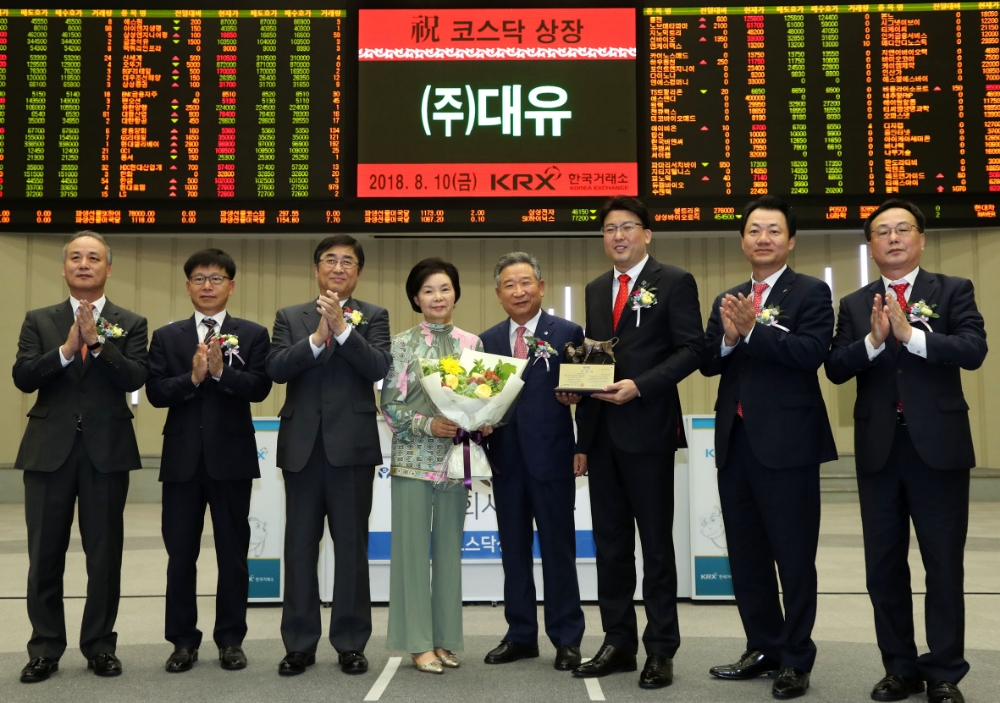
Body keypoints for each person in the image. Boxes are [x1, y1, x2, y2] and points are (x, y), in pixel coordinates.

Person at [826, 200, 987, 703]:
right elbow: (835, 367)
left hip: (937, 448)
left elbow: (973, 350)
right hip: (879, 449)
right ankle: (899, 667)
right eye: (882, 232)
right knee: (884, 565)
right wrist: (874, 342)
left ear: (920, 239)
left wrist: (911, 336)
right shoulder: (854, 304)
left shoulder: (952, 290)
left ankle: (943, 672)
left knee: (943, 562)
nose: (893, 238)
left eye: (903, 229)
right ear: (870, 246)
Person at [700, 195, 837, 699]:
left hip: (789, 446)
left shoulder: (811, 292)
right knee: (747, 555)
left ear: (791, 240)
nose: (763, 238)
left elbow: (809, 354)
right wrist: (730, 339)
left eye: (773, 231)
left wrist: (753, 331)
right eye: (754, 230)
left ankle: (796, 657)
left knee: (794, 556)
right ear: (742, 240)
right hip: (735, 444)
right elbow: (711, 362)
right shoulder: (730, 296)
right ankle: (762, 645)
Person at [568, 196, 704, 689]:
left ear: (647, 234)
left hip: (648, 430)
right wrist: (578, 408)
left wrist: (641, 384)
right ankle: (618, 641)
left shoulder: (675, 281)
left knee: (655, 545)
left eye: (627, 227)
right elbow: (597, 359)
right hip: (603, 435)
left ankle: (661, 648)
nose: (618, 236)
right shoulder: (596, 288)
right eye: (609, 229)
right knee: (610, 546)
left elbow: (694, 349)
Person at [13, 231, 149, 683]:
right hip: (48, 451)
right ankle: (45, 648)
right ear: (65, 267)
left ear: (108, 268)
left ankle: (99, 647)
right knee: (44, 555)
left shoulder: (131, 321)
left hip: (105, 453)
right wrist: (69, 349)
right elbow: (24, 376)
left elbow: (133, 377)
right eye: (76, 257)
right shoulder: (40, 319)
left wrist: (99, 344)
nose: (84, 264)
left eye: (94, 257)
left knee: (104, 555)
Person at [265, 235, 390, 677]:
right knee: (299, 548)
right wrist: (317, 339)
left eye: (348, 262)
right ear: (317, 268)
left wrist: (342, 330)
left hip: (352, 448)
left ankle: (351, 643)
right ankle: (298, 644)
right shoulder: (290, 316)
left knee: (352, 548)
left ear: (358, 271)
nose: (338, 268)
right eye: (330, 260)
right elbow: (276, 368)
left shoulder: (373, 316)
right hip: (301, 448)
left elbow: (378, 368)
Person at [145, 249, 272, 673]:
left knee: (232, 554)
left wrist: (221, 374)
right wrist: (194, 378)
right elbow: (157, 392)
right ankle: (182, 641)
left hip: (231, 459)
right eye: (199, 279)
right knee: (180, 555)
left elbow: (259, 388)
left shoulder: (252, 334)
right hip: (181, 461)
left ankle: (230, 640)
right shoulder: (168, 337)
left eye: (216, 279)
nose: (207, 286)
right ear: (187, 286)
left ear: (231, 286)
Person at [480, 252, 586, 672]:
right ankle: (520, 634)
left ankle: (567, 638)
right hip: (505, 460)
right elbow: (480, 400)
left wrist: (583, 436)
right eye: (509, 284)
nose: (519, 291)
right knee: (514, 553)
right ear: (498, 294)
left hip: (554, 457)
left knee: (560, 550)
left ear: (541, 287)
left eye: (526, 282)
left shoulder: (567, 332)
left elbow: (586, 390)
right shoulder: (486, 341)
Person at [380, 258, 485, 674]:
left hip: (456, 462)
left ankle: (444, 640)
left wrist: (482, 421)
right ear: (415, 299)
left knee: (448, 553)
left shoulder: (472, 344)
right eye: (428, 290)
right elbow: (389, 406)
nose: (437, 297)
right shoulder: (401, 344)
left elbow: (481, 397)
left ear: (455, 293)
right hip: (412, 460)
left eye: (444, 288)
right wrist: (428, 424)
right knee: (411, 554)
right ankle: (417, 642)